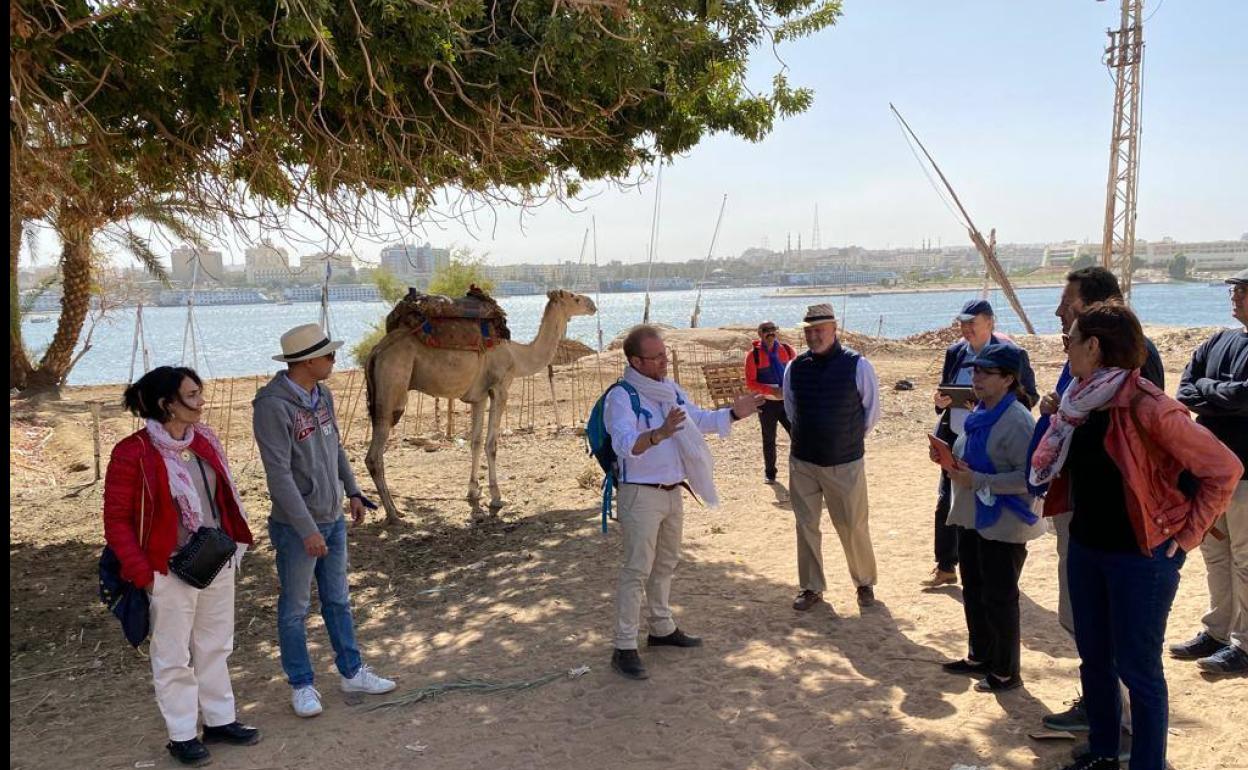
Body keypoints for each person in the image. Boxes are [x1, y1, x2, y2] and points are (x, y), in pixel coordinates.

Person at [1029, 303, 1241, 770]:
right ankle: (1105, 753)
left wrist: (1187, 537)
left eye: (1071, 340)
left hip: (1142, 558)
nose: (1065, 349)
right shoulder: (1079, 402)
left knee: (1139, 672)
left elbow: (1225, 469)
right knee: (1095, 660)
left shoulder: (1149, 405)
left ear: (1094, 347)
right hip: (1088, 548)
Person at [103, 366, 258, 766]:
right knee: (173, 655)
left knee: (215, 645)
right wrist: (145, 574)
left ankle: (220, 720)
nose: (201, 401)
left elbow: (224, 495)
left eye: (200, 392)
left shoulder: (204, 440)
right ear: (165, 404)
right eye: (192, 395)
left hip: (216, 559)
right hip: (167, 569)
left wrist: (235, 540)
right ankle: (182, 734)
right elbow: (117, 521)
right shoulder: (132, 452)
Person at [1037, 266, 1167, 741]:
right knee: (1085, 626)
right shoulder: (1085, 360)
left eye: (1066, 304)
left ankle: (1123, 726)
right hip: (1084, 515)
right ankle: (1100, 710)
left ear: (1097, 308)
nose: (1057, 313)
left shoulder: (1136, 363)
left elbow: (1160, 449)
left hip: (1117, 530)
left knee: (1119, 641)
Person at [253, 324, 396, 717]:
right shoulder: (271, 406)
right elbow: (278, 476)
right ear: (307, 361)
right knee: (295, 608)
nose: (334, 360)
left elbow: (335, 447)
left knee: (338, 599)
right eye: (329, 355)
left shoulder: (323, 396)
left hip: (332, 516)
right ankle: (301, 684)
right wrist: (307, 529)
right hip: (297, 526)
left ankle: (352, 670)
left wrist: (352, 491)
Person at [605, 325, 764, 680]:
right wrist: (659, 433)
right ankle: (624, 645)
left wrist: (735, 413)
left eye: (664, 353)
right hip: (640, 494)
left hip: (672, 490)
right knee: (637, 569)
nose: (664, 360)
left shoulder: (669, 390)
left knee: (665, 563)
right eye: (657, 356)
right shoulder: (622, 396)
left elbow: (699, 420)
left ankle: (661, 628)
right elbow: (624, 444)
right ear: (635, 361)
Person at [936, 343, 1045, 693]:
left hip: (1004, 522)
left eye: (985, 372)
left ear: (1009, 379)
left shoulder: (1018, 420)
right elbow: (970, 451)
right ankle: (980, 655)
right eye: (975, 371)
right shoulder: (980, 410)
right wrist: (948, 458)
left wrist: (978, 480)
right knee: (975, 589)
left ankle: (1005, 671)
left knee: (1000, 597)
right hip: (974, 515)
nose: (976, 377)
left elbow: (1028, 480)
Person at [1168, 267, 1248, 675]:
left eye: (1243, 290)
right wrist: (1223, 394)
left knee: (1245, 559)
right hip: (1210, 475)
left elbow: (1242, 397)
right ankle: (1217, 631)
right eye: (1235, 289)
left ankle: (1244, 644)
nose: (1235, 296)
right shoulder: (1219, 340)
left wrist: (1210, 393)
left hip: (1247, 474)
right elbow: (1184, 391)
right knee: (1215, 554)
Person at [926, 299, 1037, 588]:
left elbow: (1029, 396)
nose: (965, 329)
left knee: (986, 497)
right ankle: (946, 564)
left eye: (971, 323)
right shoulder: (955, 353)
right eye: (962, 323)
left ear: (989, 323)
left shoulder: (1012, 354)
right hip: (959, 437)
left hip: (992, 442)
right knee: (946, 500)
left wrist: (992, 403)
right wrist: (941, 403)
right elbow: (944, 390)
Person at [783, 304, 882, 611]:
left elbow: (871, 412)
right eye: (808, 331)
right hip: (803, 461)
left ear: (834, 329)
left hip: (845, 461)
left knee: (853, 525)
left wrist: (846, 440)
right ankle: (811, 587)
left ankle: (864, 582)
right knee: (806, 525)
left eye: (819, 330)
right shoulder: (794, 367)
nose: (813, 336)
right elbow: (791, 409)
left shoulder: (858, 365)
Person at [744, 320, 796, 484]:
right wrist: (771, 391)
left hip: (787, 402)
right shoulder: (754, 355)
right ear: (759, 334)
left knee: (798, 435)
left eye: (773, 329)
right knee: (769, 439)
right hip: (767, 404)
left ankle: (801, 469)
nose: (770, 333)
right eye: (766, 330)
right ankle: (770, 473)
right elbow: (750, 382)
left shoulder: (786, 350)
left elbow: (796, 371)